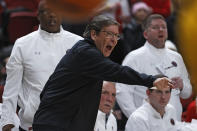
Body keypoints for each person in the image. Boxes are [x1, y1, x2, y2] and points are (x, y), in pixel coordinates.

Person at [32, 14, 173, 131]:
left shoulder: (85, 54)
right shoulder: (86, 53)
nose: (114, 39)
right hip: (56, 125)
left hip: (59, 123)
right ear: (94, 34)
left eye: (117, 36)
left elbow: (47, 90)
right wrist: (151, 80)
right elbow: (118, 71)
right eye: (109, 34)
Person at [1, 0, 83, 130]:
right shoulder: (22, 44)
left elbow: (86, 85)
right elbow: (11, 87)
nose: (52, 15)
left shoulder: (78, 43)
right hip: (32, 123)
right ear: (38, 16)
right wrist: (7, 119)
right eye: (47, 11)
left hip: (67, 122)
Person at [116, 14, 192, 121]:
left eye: (163, 27)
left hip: (174, 123)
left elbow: (187, 93)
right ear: (146, 34)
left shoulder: (176, 57)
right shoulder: (134, 57)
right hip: (147, 124)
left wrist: (182, 86)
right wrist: (135, 117)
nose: (161, 30)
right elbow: (121, 90)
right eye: (155, 27)